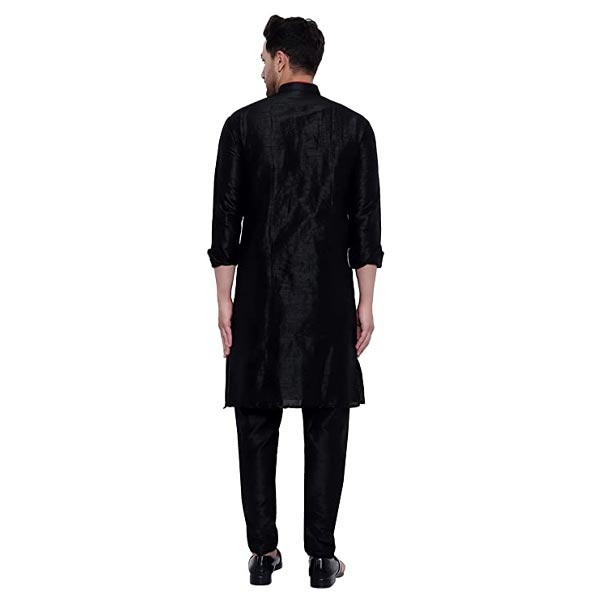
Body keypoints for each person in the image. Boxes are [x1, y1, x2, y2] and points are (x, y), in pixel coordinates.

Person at [207, 15, 384, 588]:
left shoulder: (241, 126)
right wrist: (366, 301)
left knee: (256, 422)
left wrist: (224, 300)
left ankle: (263, 553)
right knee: (326, 422)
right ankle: (322, 558)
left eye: (264, 59)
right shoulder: (354, 129)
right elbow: (366, 225)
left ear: (282, 60)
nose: (261, 68)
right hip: (327, 299)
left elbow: (226, 221)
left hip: (260, 299)